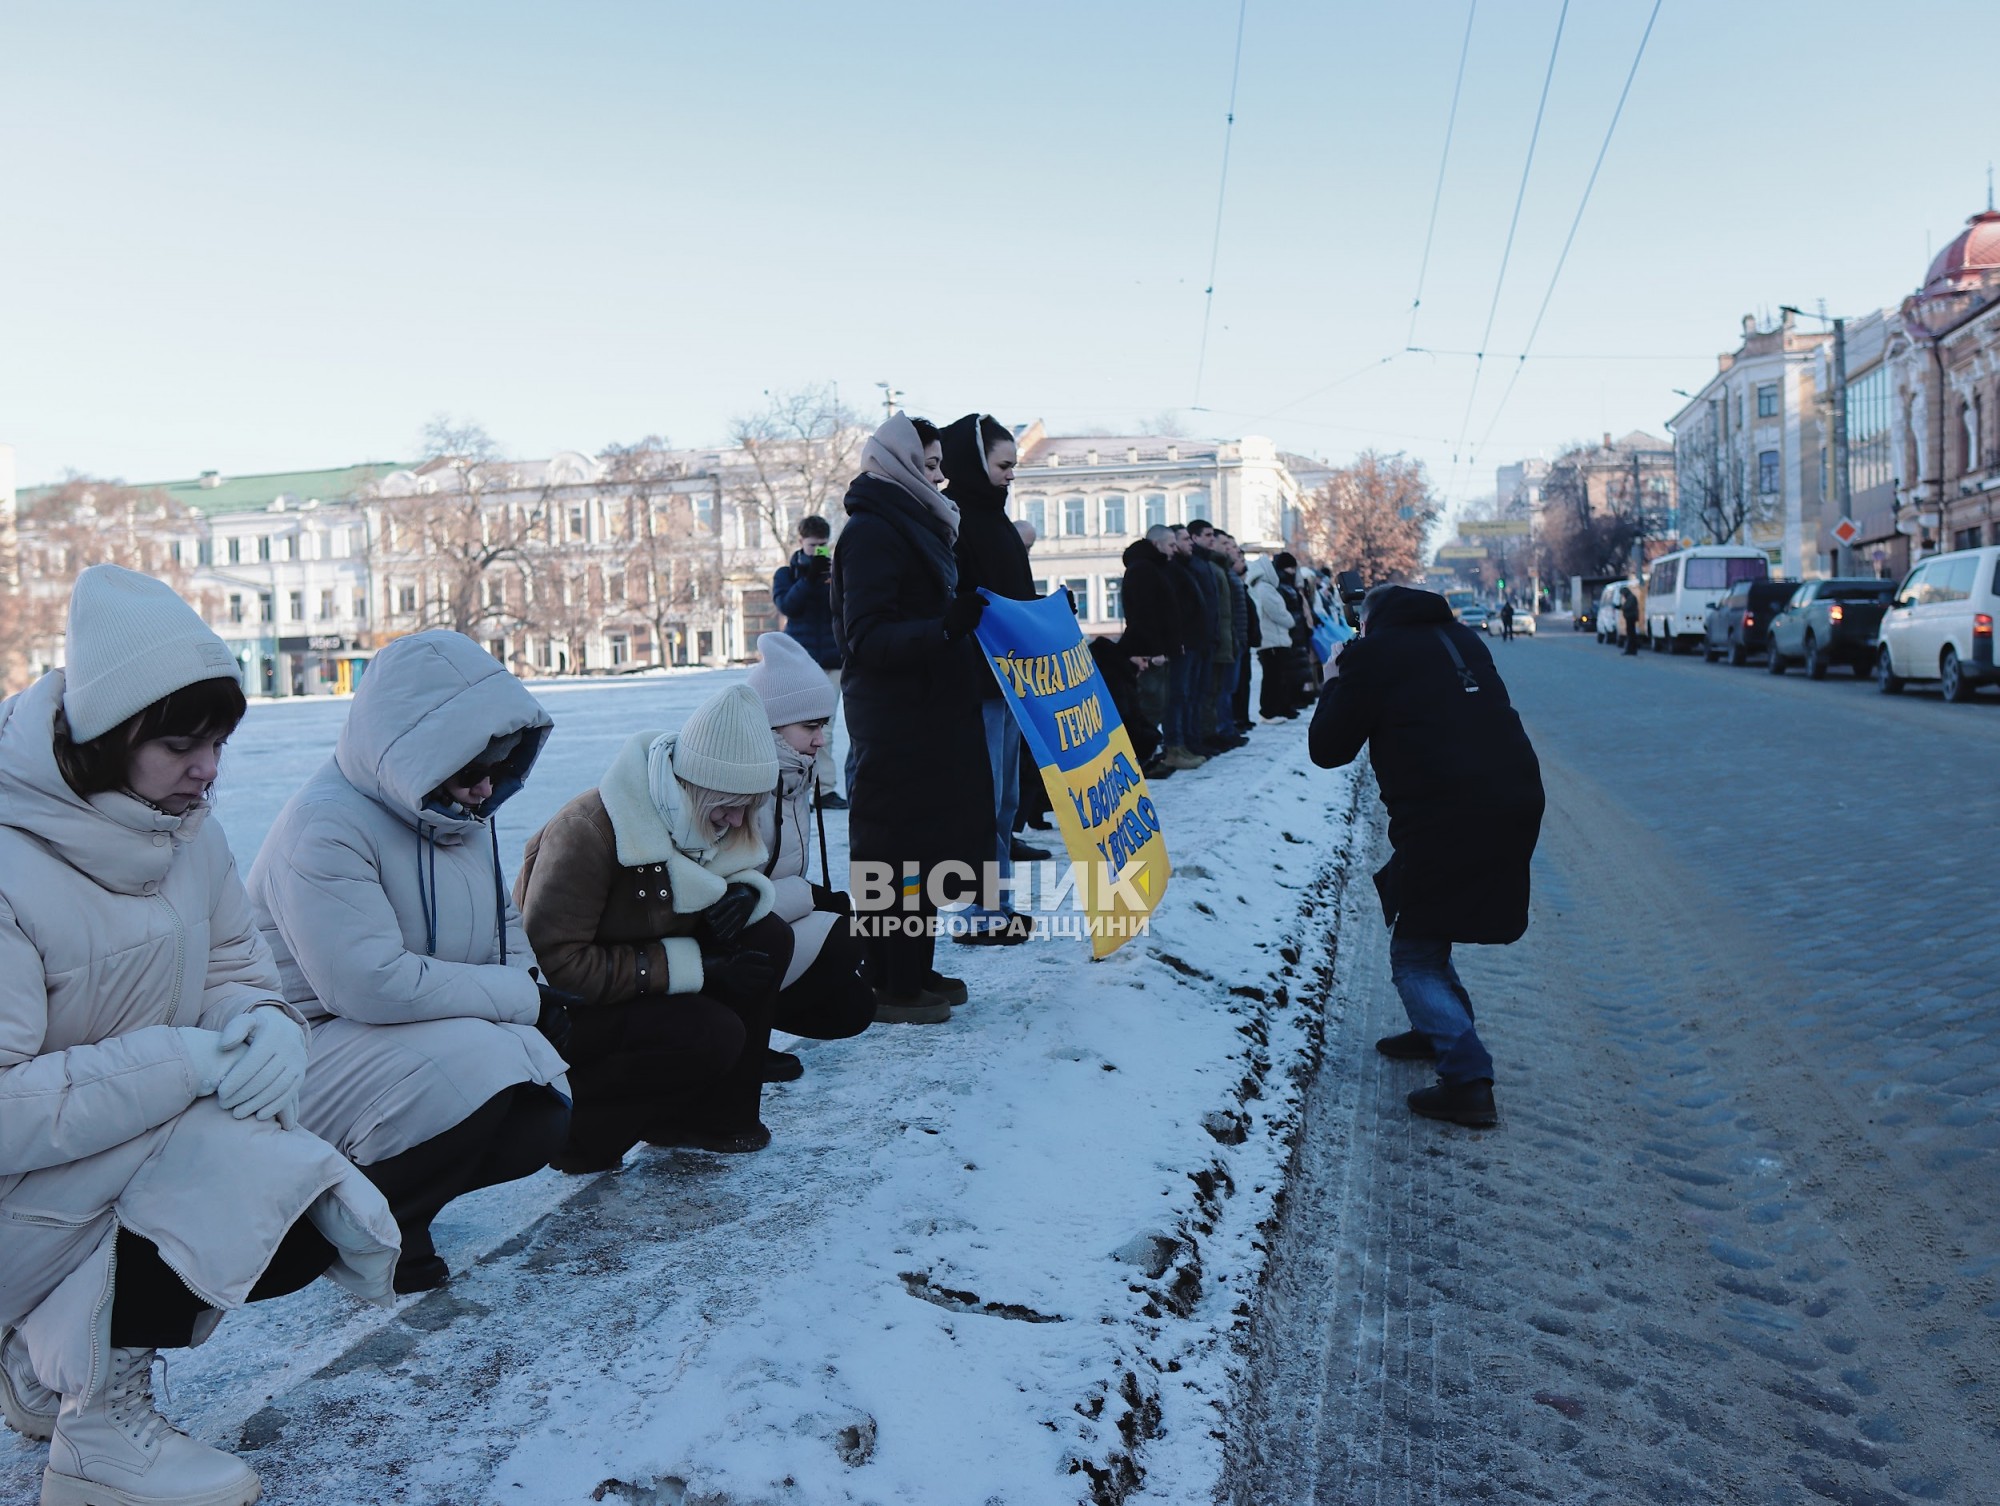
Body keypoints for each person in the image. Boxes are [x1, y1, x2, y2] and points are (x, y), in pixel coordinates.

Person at [0, 565, 397, 1506]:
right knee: (257, 1177)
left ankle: (34, 1367)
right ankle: (98, 1441)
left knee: (285, 1199)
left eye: (217, 742)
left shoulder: (191, 834)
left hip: (108, 1149)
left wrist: (264, 1028)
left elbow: (233, 969)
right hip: (23, 1180)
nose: (208, 769)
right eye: (182, 744)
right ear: (104, 740)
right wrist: (180, 1062)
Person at [248, 630, 571, 1294]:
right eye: (471, 771)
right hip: (302, 1050)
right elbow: (365, 983)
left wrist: (536, 987)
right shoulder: (326, 825)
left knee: (540, 1104)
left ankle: (402, 1215)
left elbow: (501, 928)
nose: (486, 790)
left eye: (500, 767)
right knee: (489, 1067)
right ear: (419, 755)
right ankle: (342, 1225)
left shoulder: (452, 814)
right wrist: (521, 1002)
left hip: (406, 1034)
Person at [516, 685, 792, 1166]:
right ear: (691, 784)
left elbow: (729, 867)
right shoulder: (589, 831)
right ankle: (585, 1133)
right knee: (712, 1031)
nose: (736, 820)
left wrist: (745, 891)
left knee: (767, 938)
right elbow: (557, 966)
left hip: (640, 983)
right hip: (572, 1016)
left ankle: (718, 1116)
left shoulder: (702, 816)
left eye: (749, 806)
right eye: (727, 804)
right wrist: (696, 967)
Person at [1306, 584, 1545, 1129]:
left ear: (1370, 622)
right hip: (1514, 796)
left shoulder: (1373, 654)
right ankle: (1432, 1025)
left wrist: (1333, 683)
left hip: (1446, 810)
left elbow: (1328, 749)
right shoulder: (1461, 638)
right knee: (1426, 910)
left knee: (1412, 952)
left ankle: (1467, 1080)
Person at [831, 413, 994, 1014]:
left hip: (925, 712)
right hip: (895, 719)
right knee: (891, 854)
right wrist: (945, 627)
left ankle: (915, 971)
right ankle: (889, 982)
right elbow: (867, 638)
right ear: (898, 463)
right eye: (928, 465)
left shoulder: (914, 525)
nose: (940, 478)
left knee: (921, 852)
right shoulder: (873, 531)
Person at [743, 631, 895, 1078]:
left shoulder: (792, 776)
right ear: (771, 725)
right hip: (731, 936)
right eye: (810, 726)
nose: (821, 740)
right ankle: (739, 1043)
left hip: (768, 922)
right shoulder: (746, 785)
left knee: (852, 1004)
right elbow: (739, 895)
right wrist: (811, 898)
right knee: (843, 936)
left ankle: (754, 1030)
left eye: (823, 725)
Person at [942, 412, 1036, 944]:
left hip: (1009, 680)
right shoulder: (957, 523)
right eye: (1004, 465)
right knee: (984, 799)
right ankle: (979, 911)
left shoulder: (996, 521)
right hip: (977, 682)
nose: (1011, 475)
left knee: (1004, 801)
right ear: (975, 463)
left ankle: (997, 904)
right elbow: (959, 600)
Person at [771, 514, 847, 808]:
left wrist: (829, 577)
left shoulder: (837, 571)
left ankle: (824, 788)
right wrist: (807, 578)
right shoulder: (786, 574)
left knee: (826, 727)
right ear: (801, 541)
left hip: (834, 659)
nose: (819, 551)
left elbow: (843, 605)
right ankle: (804, 785)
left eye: (824, 545)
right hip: (801, 662)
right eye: (814, 545)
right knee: (799, 728)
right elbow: (788, 605)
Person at [1118, 526, 1183, 773]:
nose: (1174, 550)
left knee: (1157, 704)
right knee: (1150, 706)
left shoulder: (1153, 568)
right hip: (1148, 652)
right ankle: (1142, 760)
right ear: (1156, 544)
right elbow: (1145, 615)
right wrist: (1155, 651)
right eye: (1170, 545)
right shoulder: (1143, 570)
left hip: (1157, 650)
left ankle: (1151, 756)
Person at [1186, 520, 1242, 751]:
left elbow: (1225, 609)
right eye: (1208, 535)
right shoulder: (1200, 565)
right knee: (1204, 692)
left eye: (1212, 535)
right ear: (1195, 538)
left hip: (1218, 638)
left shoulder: (1211, 566)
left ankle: (1212, 734)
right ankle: (1205, 736)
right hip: (1206, 639)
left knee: (1215, 690)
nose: (1211, 539)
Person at [1167, 526, 1217, 764]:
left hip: (1199, 641)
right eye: (1186, 539)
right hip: (1186, 644)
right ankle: (1179, 745)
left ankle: (1191, 741)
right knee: (1181, 695)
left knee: (1193, 694)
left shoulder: (1189, 566)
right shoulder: (1175, 569)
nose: (1191, 543)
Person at [1247, 553, 1301, 720]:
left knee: (1276, 676)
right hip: (1272, 640)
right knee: (1273, 677)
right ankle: (1269, 711)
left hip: (1272, 639)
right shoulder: (1265, 588)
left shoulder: (1260, 588)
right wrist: (1291, 621)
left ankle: (1276, 709)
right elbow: (1277, 612)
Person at [1620, 585, 1642, 656]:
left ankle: (1631, 650)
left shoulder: (1631, 598)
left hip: (1631, 618)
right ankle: (1631, 650)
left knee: (1631, 635)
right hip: (1630, 618)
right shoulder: (1630, 597)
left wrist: (1622, 607)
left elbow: (1628, 606)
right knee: (1630, 634)